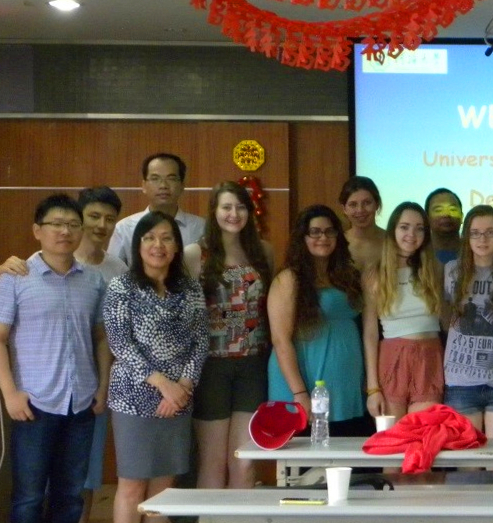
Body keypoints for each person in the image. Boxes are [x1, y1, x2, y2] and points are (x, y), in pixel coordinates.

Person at [0, 187, 127, 523]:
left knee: (70, 497)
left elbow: (100, 337)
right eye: (56, 224)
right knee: (29, 498)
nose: (65, 231)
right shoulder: (15, 277)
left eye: (72, 225)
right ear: (37, 230)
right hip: (33, 403)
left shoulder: (93, 280)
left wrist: (102, 387)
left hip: (81, 401)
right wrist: (10, 393)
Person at [103, 211, 208, 523]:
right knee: (132, 487)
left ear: (177, 246)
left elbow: (201, 341)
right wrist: (165, 385)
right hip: (133, 399)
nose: (157, 245)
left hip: (178, 400)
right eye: (149, 238)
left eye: (166, 238)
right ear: (138, 245)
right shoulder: (122, 287)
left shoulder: (190, 288)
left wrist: (183, 388)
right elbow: (120, 344)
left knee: (164, 489)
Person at [182, 182, 274, 489]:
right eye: (226, 207)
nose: (234, 214)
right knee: (213, 461)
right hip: (211, 367)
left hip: (253, 365)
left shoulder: (263, 252)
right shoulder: (195, 254)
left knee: (244, 461)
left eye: (240, 207)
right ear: (214, 211)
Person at [267, 205, 370, 435]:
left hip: (345, 386)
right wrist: (299, 393)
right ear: (302, 237)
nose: (323, 237)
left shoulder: (347, 276)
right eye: (315, 232)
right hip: (305, 386)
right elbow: (280, 340)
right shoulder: (289, 279)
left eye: (329, 231)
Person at [442, 205, 493, 437]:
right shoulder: (451, 271)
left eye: (490, 232)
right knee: (466, 455)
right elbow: (444, 319)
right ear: (466, 237)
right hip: (460, 381)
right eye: (475, 233)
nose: (483, 239)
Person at [365, 202, 444, 420]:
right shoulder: (375, 273)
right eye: (404, 227)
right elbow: (370, 334)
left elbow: (447, 320)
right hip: (392, 358)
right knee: (394, 437)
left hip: (429, 357)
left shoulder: (435, 268)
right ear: (393, 230)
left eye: (419, 228)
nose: (412, 234)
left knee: (422, 434)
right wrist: (373, 389)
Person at [108, 153, 206, 265]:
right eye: (155, 178)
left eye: (171, 178)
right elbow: (113, 270)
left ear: (182, 185)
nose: (163, 185)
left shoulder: (201, 228)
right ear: (144, 186)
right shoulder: (124, 229)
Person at [340, 176, 386, 273]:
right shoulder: (337, 243)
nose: (360, 210)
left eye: (367, 203)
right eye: (353, 204)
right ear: (344, 209)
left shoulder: (391, 241)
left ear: (377, 204)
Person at [425, 187, 463, 264]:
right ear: (426, 218)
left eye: (452, 209)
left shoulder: (477, 252)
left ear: (462, 217)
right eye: (438, 210)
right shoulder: (416, 255)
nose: (446, 214)